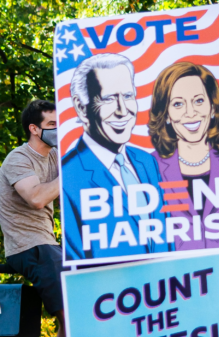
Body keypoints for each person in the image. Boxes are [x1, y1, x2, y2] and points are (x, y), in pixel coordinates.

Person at [0, 100, 118, 337]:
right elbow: (38, 198)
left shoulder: (55, 157)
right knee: (79, 315)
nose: (57, 130)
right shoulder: (18, 159)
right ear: (34, 128)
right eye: (51, 125)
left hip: (51, 246)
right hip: (28, 246)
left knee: (74, 315)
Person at [62, 53, 173, 262]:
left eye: (128, 96)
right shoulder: (69, 175)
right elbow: (76, 261)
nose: (123, 110)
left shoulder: (147, 162)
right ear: (81, 107)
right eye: (109, 98)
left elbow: (166, 237)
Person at [148, 62, 219, 251]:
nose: (191, 112)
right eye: (178, 104)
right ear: (166, 114)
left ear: (212, 107)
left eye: (199, 101)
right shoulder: (150, 166)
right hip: (176, 274)